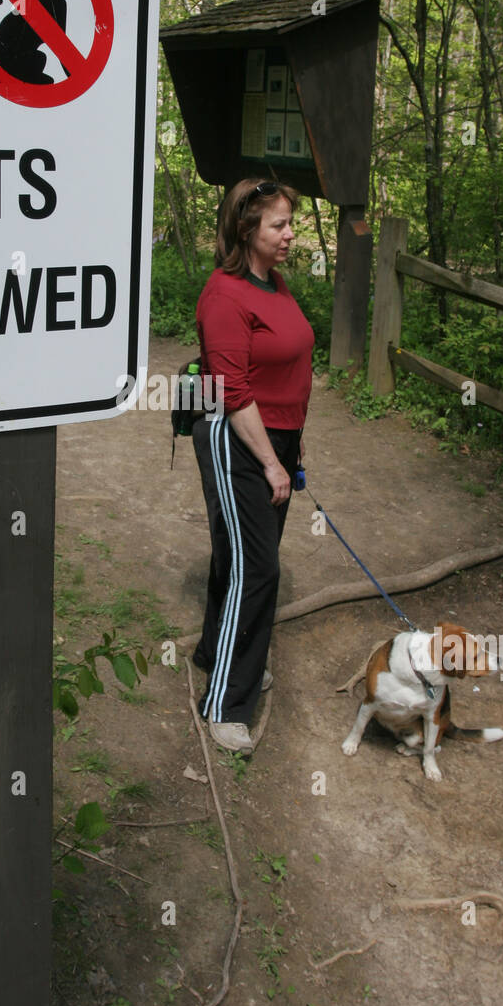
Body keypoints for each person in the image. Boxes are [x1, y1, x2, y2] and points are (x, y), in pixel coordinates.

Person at [191, 178, 315, 755]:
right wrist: (270, 463)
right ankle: (225, 703)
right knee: (257, 568)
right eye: (279, 225)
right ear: (248, 231)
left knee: (239, 557)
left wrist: (292, 452)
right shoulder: (224, 296)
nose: (291, 234)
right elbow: (233, 392)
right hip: (236, 439)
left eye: (290, 223)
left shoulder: (274, 283)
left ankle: (222, 655)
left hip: (277, 441)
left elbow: (285, 373)